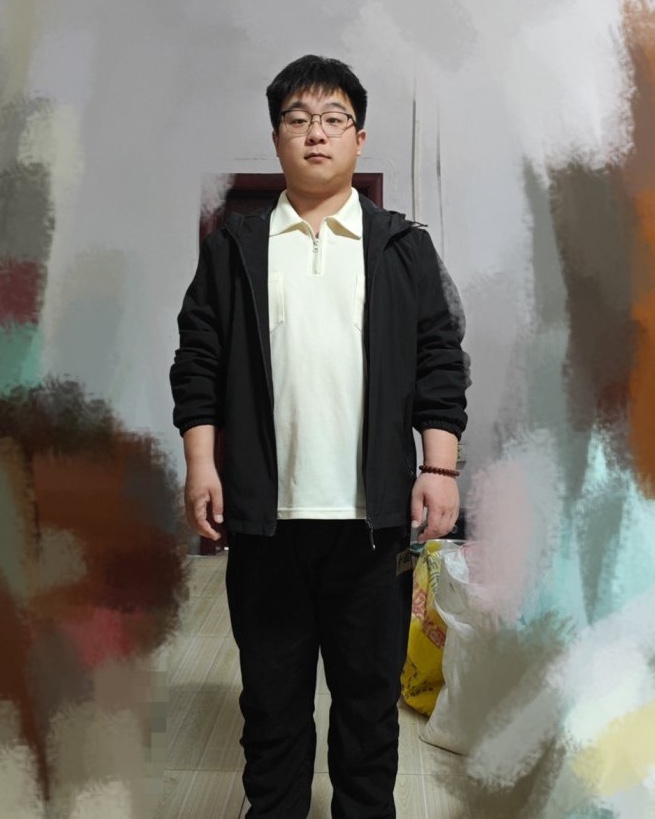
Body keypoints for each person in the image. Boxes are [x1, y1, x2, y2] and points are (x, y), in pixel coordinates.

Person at [170, 54, 469, 819]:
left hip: (370, 524)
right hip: (265, 522)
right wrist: (201, 464)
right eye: (298, 119)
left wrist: (438, 468)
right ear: (277, 137)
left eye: (333, 119)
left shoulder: (400, 248)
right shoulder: (234, 249)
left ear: (358, 139)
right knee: (271, 702)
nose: (315, 133)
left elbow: (439, 358)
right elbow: (198, 361)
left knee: (367, 703)